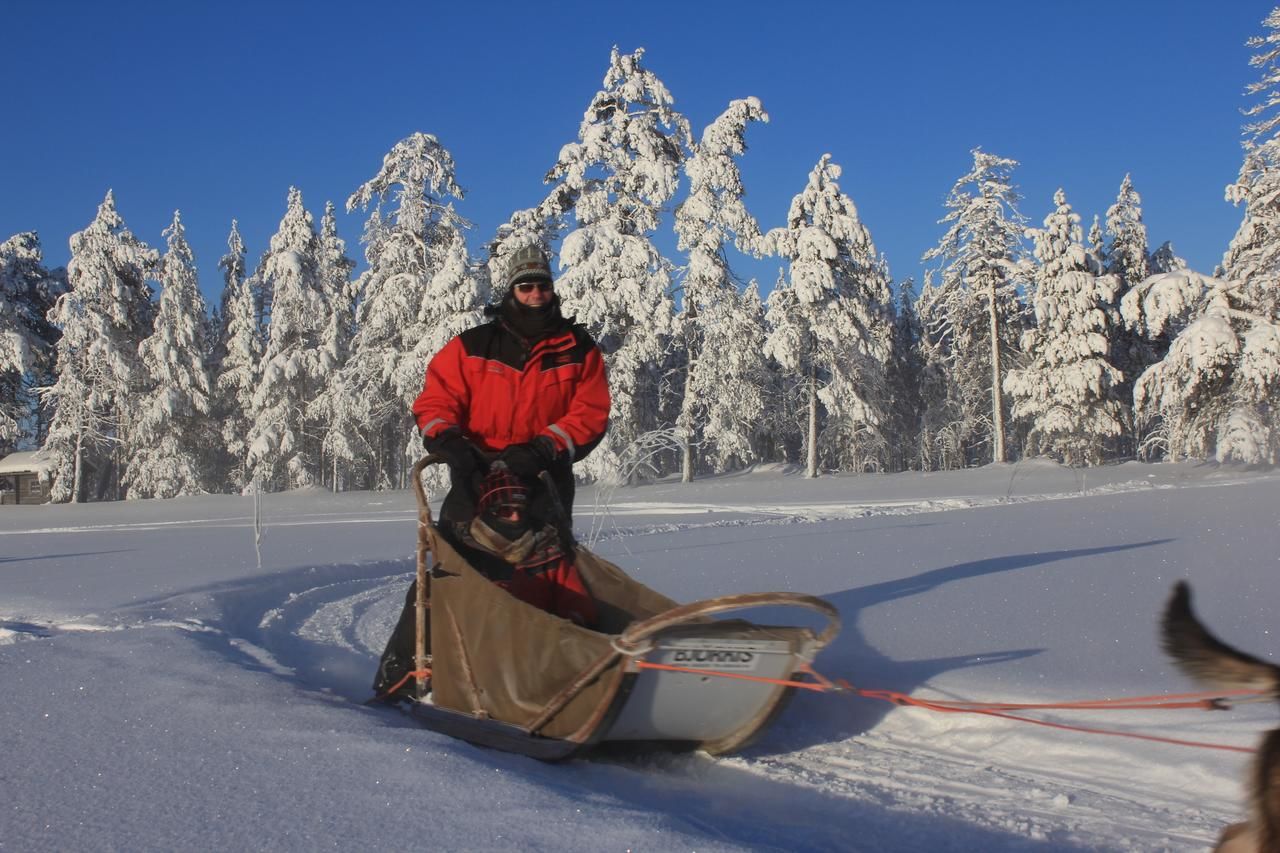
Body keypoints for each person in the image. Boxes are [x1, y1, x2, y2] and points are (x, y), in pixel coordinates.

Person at [371, 245, 610, 700]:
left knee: (549, 577)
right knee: (450, 573)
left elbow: (591, 413)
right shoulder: (473, 345)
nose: (535, 293)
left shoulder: (578, 349)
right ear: (511, 291)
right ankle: (399, 681)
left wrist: (543, 446)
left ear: (552, 288)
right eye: (526, 285)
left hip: (542, 477)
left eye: (542, 285)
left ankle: (547, 684)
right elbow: (436, 400)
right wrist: (451, 443)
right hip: (476, 475)